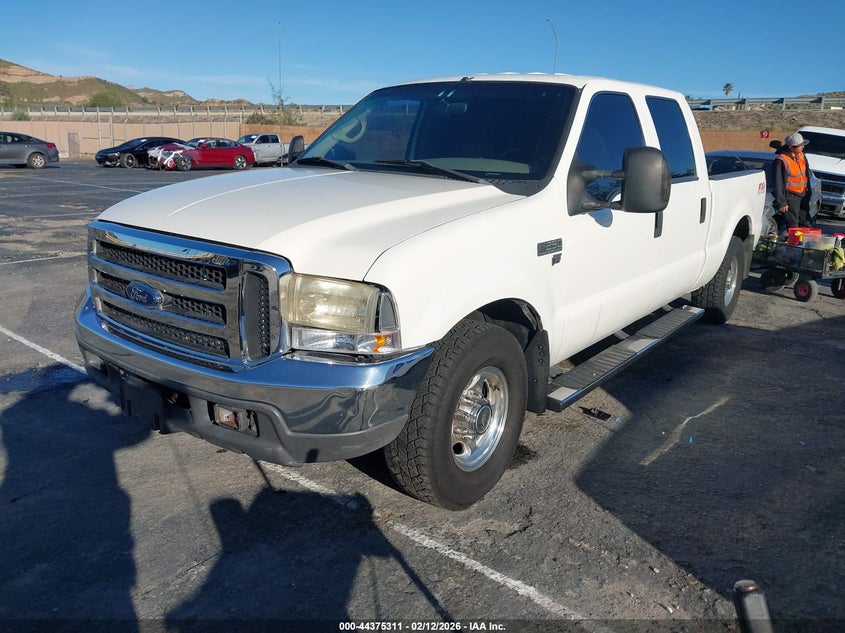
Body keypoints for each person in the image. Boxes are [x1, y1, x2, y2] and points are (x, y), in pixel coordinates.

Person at [773, 132, 813, 232]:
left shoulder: (801, 156)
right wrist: (782, 202)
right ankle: (793, 246)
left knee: (805, 222)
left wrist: (808, 192)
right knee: (793, 224)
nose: (803, 147)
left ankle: (804, 245)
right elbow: (779, 183)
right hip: (791, 196)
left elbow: (806, 175)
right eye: (800, 146)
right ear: (791, 147)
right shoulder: (781, 160)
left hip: (803, 194)